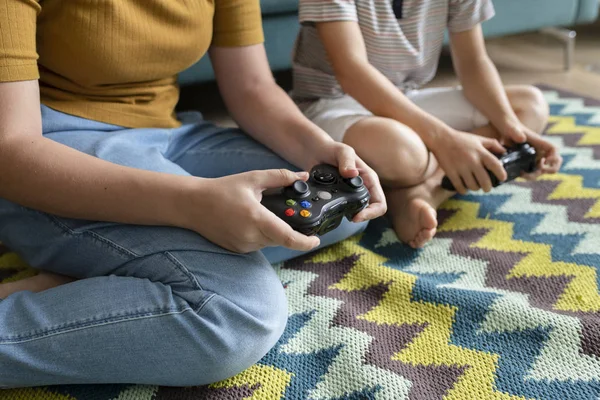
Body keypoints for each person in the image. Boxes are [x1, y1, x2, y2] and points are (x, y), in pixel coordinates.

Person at [0, 0, 387, 388]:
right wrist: (194, 203)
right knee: (234, 317)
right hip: (52, 149)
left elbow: (252, 86)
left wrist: (317, 150)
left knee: (327, 213)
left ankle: (110, 271)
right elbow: (11, 151)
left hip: (168, 131)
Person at [291, 0, 563, 248]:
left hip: (404, 96)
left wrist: (512, 129)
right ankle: (424, 175)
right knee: (404, 153)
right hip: (332, 102)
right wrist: (445, 140)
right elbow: (352, 72)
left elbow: (473, 63)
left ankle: (425, 191)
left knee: (529, 106)